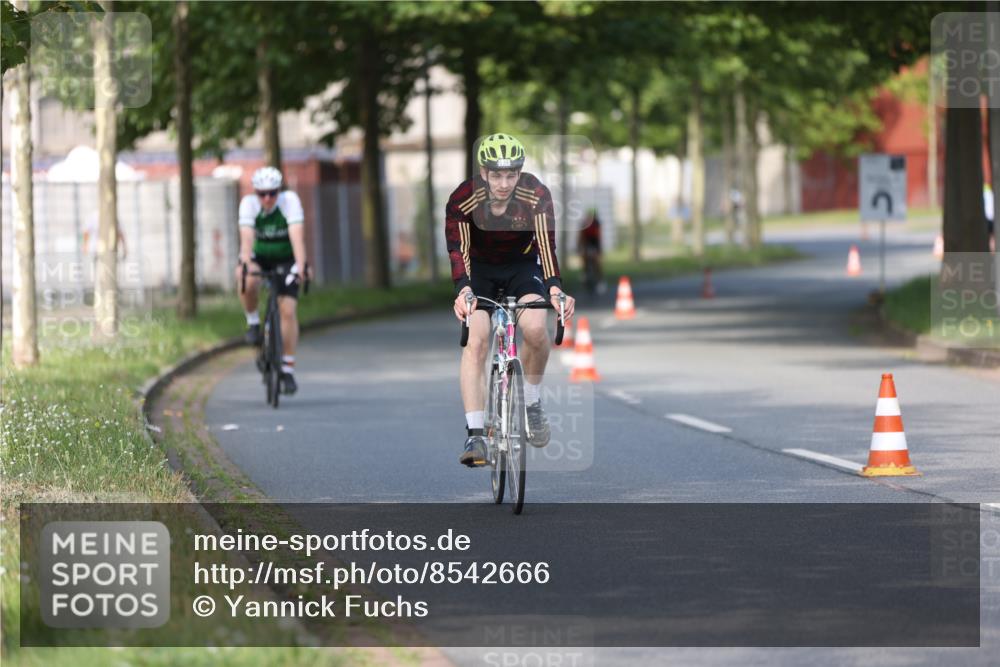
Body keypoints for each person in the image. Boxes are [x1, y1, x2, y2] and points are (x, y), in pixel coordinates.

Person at [446, 133, 576, 467]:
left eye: (511, 174)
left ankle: (531, 403)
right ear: (484, 173)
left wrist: (555, 289)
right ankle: (475, 435)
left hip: (521, 265)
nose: (504, 183)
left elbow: (547, 248)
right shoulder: (463, 198)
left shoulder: (535, 194)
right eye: (496, 175)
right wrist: (463, 290)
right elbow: (458, 250)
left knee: (534, 327)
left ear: (519, 173)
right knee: (476, 340)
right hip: (479, 269)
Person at [235, 166, 310, 395]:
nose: (267, 198)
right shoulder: (248, 204)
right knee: (245, 277)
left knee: (287, 310)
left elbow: (297, 238)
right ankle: (253, 322)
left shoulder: (290, 202)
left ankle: (287, 369)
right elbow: (247, 239)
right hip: (260, 257)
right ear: (256, 193)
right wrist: (245, 262)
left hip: (286, 259)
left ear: (279, 191)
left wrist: (301, 266)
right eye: (262, 193)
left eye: (272, 193)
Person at [578, 208, 604, 294]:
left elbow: (599, 237)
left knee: (597, 262)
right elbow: (581, 237)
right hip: (586, 243)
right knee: (584, 257)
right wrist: (580, 248)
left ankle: (599, 281)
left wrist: (599, 250)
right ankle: (585, 274)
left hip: (595, 243)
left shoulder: (597, 223)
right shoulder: (584, 223)